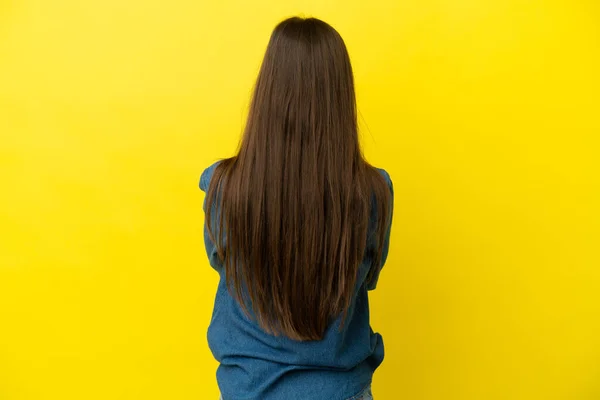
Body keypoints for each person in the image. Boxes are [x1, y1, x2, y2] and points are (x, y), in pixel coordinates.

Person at [199, 16, 393, 400]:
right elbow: (366, 279)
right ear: (341, 95)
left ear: (267, 91)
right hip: (341, 391)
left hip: (248, 389)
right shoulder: (372, 193)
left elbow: (223, 265)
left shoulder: (223, 188)